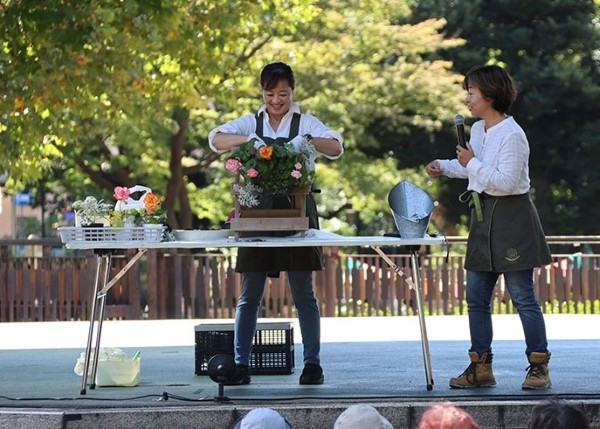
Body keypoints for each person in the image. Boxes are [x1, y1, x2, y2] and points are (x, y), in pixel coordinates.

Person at [209, 61, 344, 385]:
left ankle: (312, 364)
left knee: (303, 291)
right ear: (262, 93)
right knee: (250, 291)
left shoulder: (304, 122)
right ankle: (241, 364)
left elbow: (336, 147)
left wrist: (307, 141)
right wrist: (249, 141)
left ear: (292, 92)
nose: (276, 101)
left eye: (283, 94)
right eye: (270, 94)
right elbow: (215, 139)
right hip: (256, 211)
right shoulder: (251, 122)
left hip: (297, 211)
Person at [425, 64, 552, 390]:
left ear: (491, 95)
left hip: (512, 217)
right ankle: (480, 366)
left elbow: (505, 182)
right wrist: (445, 166)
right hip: (483, 218)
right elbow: (474, 168)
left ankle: (539, 366)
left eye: (472, 92)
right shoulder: (479, 130)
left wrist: (470, 163)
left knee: (522, 296)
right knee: (476, 297)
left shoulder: (512, 134)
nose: (467, 98)